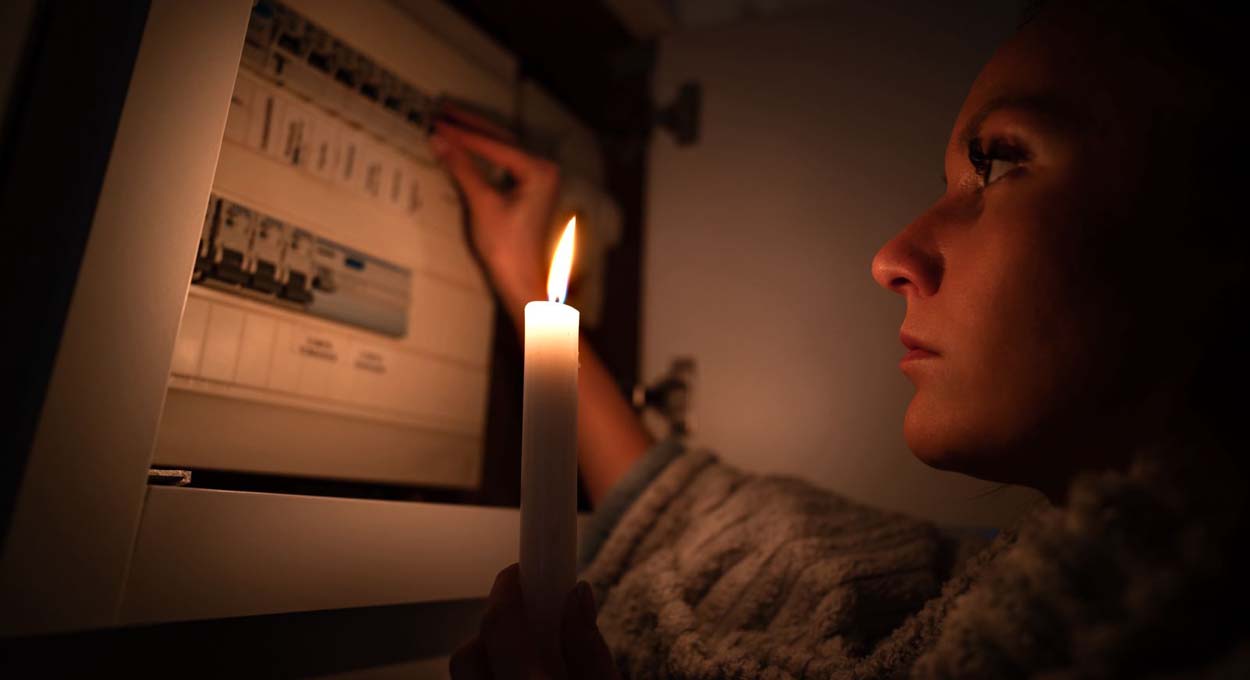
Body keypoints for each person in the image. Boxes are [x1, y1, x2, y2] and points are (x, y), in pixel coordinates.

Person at [436, 0, 1247, 677]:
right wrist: (525, 288)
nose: (892, 257)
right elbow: (709, 519)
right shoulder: (984, 579)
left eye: (997, 164)